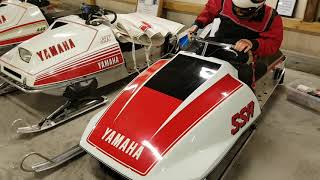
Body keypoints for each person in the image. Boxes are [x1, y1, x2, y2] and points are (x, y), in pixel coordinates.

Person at [189, 0, 283, 86]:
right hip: (220, 42)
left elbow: (273, 43)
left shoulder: (271, 16)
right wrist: (197, 24)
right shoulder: (224, 1)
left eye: (243, 10)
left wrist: (252, 43)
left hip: (245, 51)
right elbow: (209, 10)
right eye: (236, 8)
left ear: (258, 8)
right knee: (197, 55)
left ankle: (246, 97)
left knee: (243, 72)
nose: (238, 12)